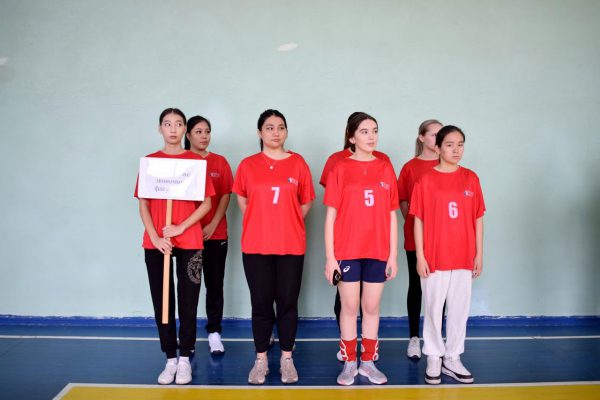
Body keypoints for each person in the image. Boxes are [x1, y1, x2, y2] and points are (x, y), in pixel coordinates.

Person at [233, 109, 315, 385]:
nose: (275, 132)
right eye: (269, 128)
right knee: (260, 304)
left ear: (286, 131)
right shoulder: (247, 165)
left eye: (281, 127)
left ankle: (287, 359)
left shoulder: (298, 163)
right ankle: (261, 361)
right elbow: (242, 200)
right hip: (255, 245)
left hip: (290, 245)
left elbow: (306, 201)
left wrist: (286, 221)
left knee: (288, 303)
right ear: (260, 132)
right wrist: (262, 221)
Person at [135, 108, 215, 385]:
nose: (173, 129)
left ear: (184, 130)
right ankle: (170, 357)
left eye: (178, 124)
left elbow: (206, 203)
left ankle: (185, 358)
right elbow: (143, 204)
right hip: (157, 242)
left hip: (189, 240)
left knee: (189, 300)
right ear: (160, 128)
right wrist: (155, 237)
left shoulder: (195, 162)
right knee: (163, 301)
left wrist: (181, 227)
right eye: (167, 124)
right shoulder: (150, 162)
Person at [323, 112, 399, 386]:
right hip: (347, 250)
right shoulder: (340, 168)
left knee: (371, 306)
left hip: (377, 251)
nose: (371, 136)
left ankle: (368, 363)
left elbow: (392, 215)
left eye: (375, 130)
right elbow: (330, 217)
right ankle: (349, 363)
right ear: (352, 137)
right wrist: (330, 258)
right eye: (365, 131)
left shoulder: (385, 167)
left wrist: (393, 255)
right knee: (349, 306)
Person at [410, 125, 485, 385]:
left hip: (463, 255)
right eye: (450, 145)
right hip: (435, 256)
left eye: (460, 144)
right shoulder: (426, 180)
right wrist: (420, 256)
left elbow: (478, 218)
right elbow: (418, 220)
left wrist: (479, 254)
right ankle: (434, 356)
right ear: (438, 148)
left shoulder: (471, 178)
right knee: (433, 307)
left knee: (459, 309)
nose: (456, 150)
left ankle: (453, 357)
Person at [184, 115, 233, 355]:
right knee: (189, 287)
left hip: (215, 234)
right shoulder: (181, 162)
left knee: (214, 285)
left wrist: (213, 224)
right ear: (188, 135)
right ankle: (188, 338)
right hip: (187, 237)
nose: (204, 136)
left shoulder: (220, 162)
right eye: (198, 131)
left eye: (207, 131)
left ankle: (214, 332)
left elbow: (225, 195)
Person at [397, 119, 442, 359]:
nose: (438, 139)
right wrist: (416, 226)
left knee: (440, 289)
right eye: (434, 134)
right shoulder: (410, 168)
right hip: (416, 238)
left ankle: (436, 337)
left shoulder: (447, 166)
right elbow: (403, 201)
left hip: (443, 239)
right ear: (422, 137)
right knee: (417, 286)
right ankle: (414, 338)